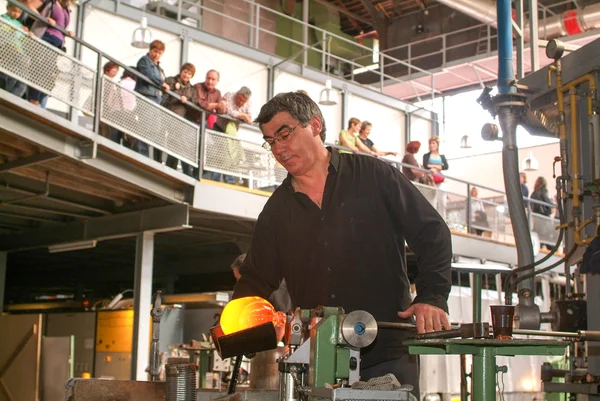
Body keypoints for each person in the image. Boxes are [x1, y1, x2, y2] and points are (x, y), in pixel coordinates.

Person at [232, 92, 452, 398]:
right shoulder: (276, 211)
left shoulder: (375, 176)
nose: (278, 148)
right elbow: (256, 278)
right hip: (319, 361)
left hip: (387, 355)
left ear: (315, 125)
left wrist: (433, 295)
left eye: (284, 134)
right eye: (270, 142)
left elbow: (432, 232)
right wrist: (236, 323)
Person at [28, 0, 75, 107]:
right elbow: (29, 4)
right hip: (47, 36)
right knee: (40, 68)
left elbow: (61, 25)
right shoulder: (51, 2)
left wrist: (67, 32)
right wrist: (44, 19)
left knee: (49, 72)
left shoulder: (66, 7)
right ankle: (33, 98)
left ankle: (39, 100)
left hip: (58, 44)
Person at [134, 39, 169, 159]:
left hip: (156, 99)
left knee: (155, 128)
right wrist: (162, 83)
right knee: (145, 127)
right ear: (150, 50)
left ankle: (145, 154)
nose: (157, 55)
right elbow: (149, 75)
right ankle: (140, 154)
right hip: (146, 96)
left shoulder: (158, 66)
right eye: (155, 51)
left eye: (160, 53)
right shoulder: (144, 61)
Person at [162, 63, 198, 177]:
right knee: (159, 138)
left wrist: (186, 100)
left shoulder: (191, 89)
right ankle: (157, 161)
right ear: (181, 71)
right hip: (164, 113)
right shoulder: (171, 80)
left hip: (178, 118)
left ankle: (170, 168)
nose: (186, 75)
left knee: (174, 144)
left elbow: (194, 101)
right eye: (185, 72)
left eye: (189, 73)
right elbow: (164, 86)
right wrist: (173, 87)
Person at [0, 3, 30, 98]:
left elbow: (21, 39)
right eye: (14, 11)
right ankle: (5, 95)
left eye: (19, 13)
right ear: (8, 8)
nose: (16, 14)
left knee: (22, 80)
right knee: (8, 75)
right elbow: (4, 33)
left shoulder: (19, 24)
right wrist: (17, 30)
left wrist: (27, 33)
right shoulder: (3, 19)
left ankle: (11, 97)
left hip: (18, 52)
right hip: (6, 49)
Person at [422, 136, 449, 219]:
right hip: (431, 181)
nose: (431, 145)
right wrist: (438, 166)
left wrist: (435, 167)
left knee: (442, 203)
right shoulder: (426, 156)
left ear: (437, 145)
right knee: (432, 202)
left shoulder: (442, 156)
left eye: (433, 143)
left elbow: (446, 166)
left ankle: (443, 220)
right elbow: (426, 165)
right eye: (430, 143)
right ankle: (432, 219)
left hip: (440, 180)